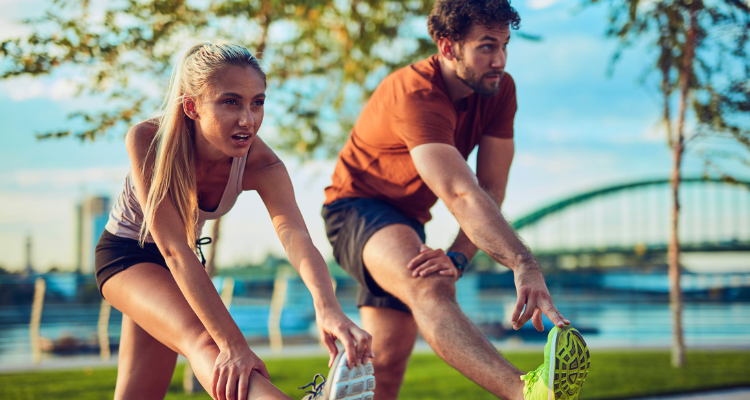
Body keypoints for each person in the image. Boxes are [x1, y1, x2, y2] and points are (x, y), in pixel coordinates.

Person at [321, 1, 590, 400]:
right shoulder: (416, 94)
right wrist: (522, 262)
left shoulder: (500, 90)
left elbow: (490, 191)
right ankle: (524, 392)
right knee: (431, 286)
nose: (499, 60)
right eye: (486, 47)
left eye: (504, 45)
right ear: (447, 47)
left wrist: (459, 257)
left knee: (384, 364)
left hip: (407, 221)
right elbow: (460, 193)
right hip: (356, 208)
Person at [95, 42, 375, 400]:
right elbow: (173, 249)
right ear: (192, 106)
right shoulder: (149, 139)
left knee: (137, 395)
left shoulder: (264, 165)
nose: (248, 119)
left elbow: (296, 237)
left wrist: (328, 308)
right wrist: (233, 343)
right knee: (208, 343)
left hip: (184, 264)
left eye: (257, 102)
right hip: (129, 257)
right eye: (231, 102)